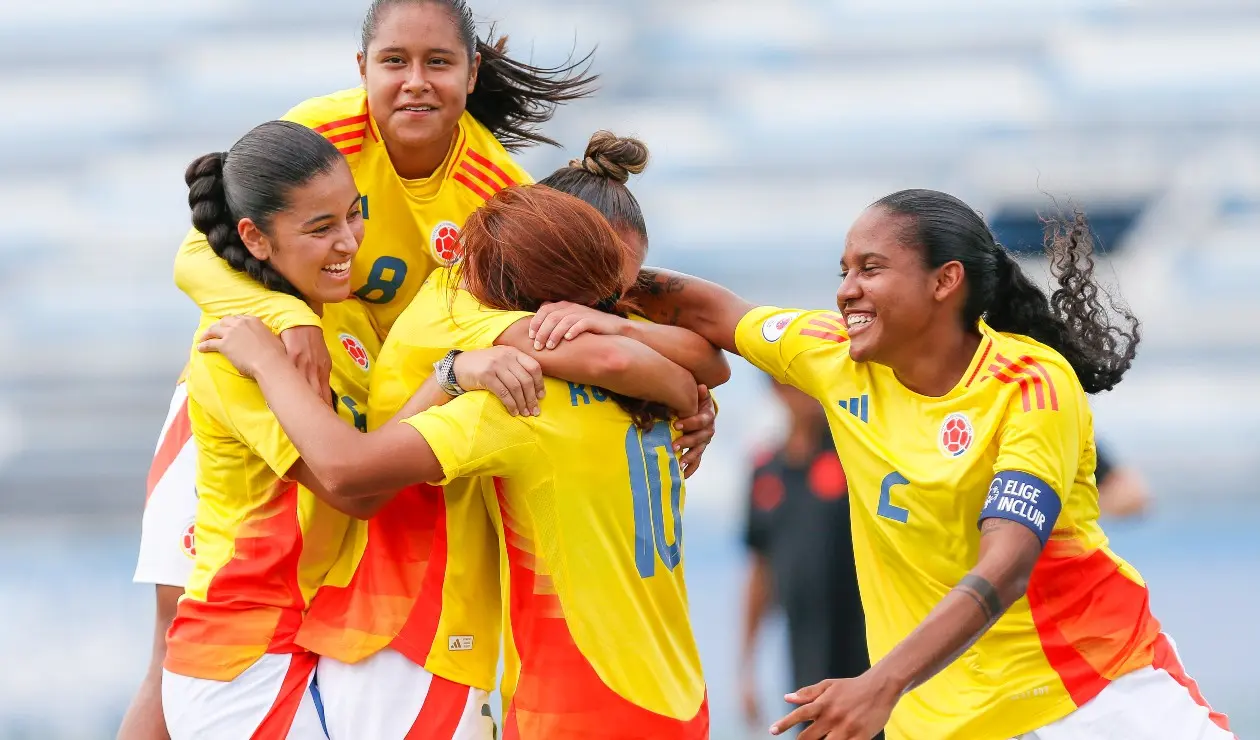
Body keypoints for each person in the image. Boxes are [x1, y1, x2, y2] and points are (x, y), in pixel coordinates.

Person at [532, 188, 1236, 740]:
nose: (845, 290)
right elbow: (706, 309)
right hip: (942, 725)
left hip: (1092, 693)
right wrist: (584, 282)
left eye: (870, 269)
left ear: (945, 282)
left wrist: (881, 683)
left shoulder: (1028, 384)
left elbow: (1006, 564)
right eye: (843, 271)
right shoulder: (832, 353)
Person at [125, 0, 599, 732]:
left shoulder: (497, 192)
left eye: (438, 63)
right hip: (244, 391)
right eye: (395, 62)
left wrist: (670, 382)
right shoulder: (323, 136)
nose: (415, 82)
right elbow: (201, 249)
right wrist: (285, 321)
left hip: (348, 417)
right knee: (180, 637)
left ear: (471, 74)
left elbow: (548, 309)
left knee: (296, 629)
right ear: (362, 71)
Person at [198, 184, 711, 740]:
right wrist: (690, 393)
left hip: (545, 692)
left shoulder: (518, 394)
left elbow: (350, 472)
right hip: (666, 692)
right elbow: (694, 356)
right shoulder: (608, 392)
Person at [160, 120, 543, 739]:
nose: (348, 243)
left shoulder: (340, 314)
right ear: (255, 238)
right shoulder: (232, 351)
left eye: (354, 215)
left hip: (315, 638)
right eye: (321, 228)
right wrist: (450, 379)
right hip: (240, 662)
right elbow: (355, 486)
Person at [738, 380, 874, 738]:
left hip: (868, 649)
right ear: (774, 390)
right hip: (804, 651)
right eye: (791, 385)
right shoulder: (766, 470)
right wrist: (747, 666)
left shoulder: (856, 456)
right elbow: (759, 570)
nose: (805, 394)